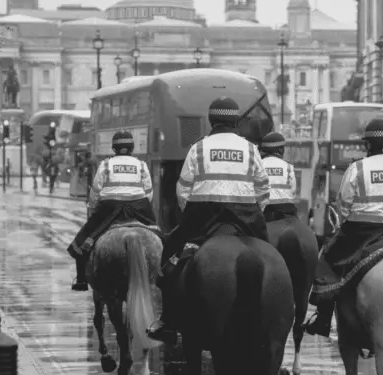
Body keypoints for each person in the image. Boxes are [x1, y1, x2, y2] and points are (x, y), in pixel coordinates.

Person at [147, 97, 271, 344]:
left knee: (169, 260)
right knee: (271, 257)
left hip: (204, 215)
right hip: (245, 215)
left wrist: (188, 214)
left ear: (212, 120)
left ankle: (168, 321)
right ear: (236, 120)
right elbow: (263, 189)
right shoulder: (250, 149)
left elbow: (183, 189)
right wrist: (254, 210)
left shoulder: (199, 148)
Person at [303, 118, 383, 337]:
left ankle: (322, 318)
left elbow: (344, 204)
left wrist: (345, 222)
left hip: (363, 231)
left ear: (368, 144)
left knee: (327, 261)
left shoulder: (357, 168)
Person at [67, 131, 156, 291]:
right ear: (131, 147)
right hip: (139, 207)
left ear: (114, 148)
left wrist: (93, 208)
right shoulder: (142, 165)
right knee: (160, 237)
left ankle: (81, 279)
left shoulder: (105, 165)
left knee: (81, 242)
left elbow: (95, 193)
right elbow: (149, 193)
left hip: (110, 209)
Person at [259, 132, 300, 222]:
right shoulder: (289, 167)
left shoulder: (259, 165)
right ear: (280, 150)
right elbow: (293, 193)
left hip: (264, 212)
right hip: (286, 212)